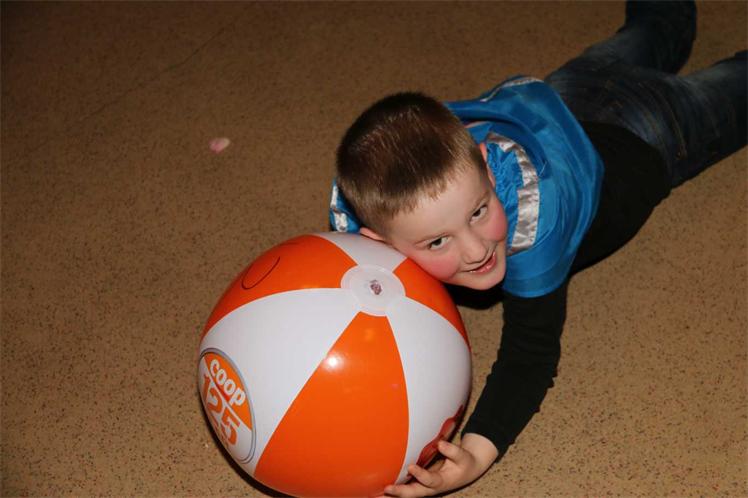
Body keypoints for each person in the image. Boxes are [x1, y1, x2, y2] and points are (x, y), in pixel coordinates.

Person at [328, 2, 746, 496]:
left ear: (489, 169)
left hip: (652, 128)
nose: (477, 250)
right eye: (437, 241)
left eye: (479, 211)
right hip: (567, 93)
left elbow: (530, 354)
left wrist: (475, 456)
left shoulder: (533, 223)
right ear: (377, 244)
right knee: (652, 28)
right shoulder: (383, 210)